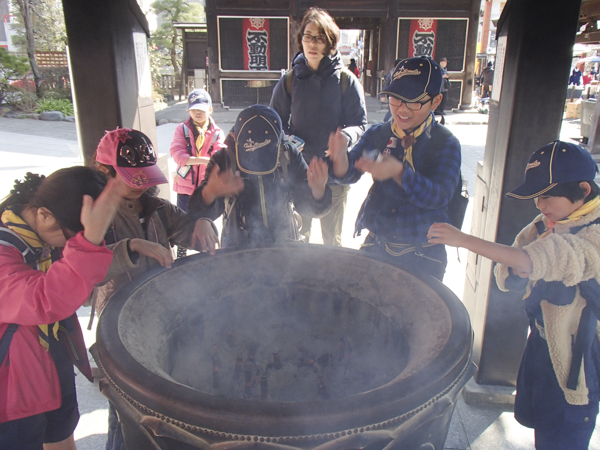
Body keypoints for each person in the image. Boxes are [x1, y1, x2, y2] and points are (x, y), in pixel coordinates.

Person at [428, 141, 600, 450]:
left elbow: (544, 257)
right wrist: (516, 273)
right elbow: (512, 264)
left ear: (583, 190)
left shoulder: (594, 232)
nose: (539, 205)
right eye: (537, 196)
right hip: (542, 344)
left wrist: (463, 239)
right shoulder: (546, 224)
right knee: (543, 425)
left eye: (547, 196)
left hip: (580, 356)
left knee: (567, 434)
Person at [92, 127, 218, 450]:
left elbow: (188, 230)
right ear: (105, 172)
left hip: (161, 317)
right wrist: (132, 247)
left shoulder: (157, 208)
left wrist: (202, 222)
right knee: (124, 417)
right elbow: (87, 269)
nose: (140, 186)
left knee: (161, 412)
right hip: (119, 327)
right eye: (129, 178)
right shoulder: (94, 217)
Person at [0, 167, 124, 450]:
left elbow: (72, 281)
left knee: (61, 432)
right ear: (44, 215)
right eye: (72, 239)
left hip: (51, 357)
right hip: (12, 387)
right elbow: (44, 299)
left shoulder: (39, 238)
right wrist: (89, 242)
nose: (73, 247)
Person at [328, 56, 461, 281]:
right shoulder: (379, 134)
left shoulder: (445, 143)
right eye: (396, 99)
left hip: (423, 254)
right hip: (378, 244)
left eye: (414, 101)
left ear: (436, 101)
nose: (402, 109)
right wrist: (340, 158)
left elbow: (439, 196)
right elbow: (350, 173)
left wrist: (399, 173)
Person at [270, 6, 367, 247]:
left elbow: (360, 124)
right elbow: (274, 124)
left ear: (330, 42)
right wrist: (289, 142)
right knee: (296, 239)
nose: (313, 43)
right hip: (298, 175)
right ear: (300, 39)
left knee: (331, 243)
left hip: (333, 175)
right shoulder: (289, 81)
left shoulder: (346, 80)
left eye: (320, 38)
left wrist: (345, 136)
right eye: (308, 36)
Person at [188, 104, 332, 251]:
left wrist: (318, 192)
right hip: (237, 248)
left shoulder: (288, 157)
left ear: (280, 140)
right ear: (234, 138)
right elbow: (196, 213)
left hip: (284, 246)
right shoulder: (223, 161)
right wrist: (209, 193)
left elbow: (310, 209)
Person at [170, 88, 226, 258]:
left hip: (205, 189)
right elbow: (178, 156)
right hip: (185, 187)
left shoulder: (217, 133)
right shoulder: (182, 129)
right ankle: (181, 252)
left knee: (205, 221)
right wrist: (205, 160)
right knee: (183, 222)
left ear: (210, 109)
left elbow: (220, 158)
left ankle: (206, 253)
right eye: (194, 109)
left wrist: (194, 159)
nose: (197, 113)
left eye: (201, 109)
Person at [382, 58, 403, 123]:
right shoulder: (391, 74)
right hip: (392, 95)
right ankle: (385, 121)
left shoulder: (403, 73)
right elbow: (385, 84)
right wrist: (383, 95)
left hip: (400, 95)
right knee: (391, 110)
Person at [434, 56, 451, 125]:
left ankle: (442, 110)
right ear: (441, 62)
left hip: (444, 86)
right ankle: (437, 110)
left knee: (444, 98)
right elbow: (436, 76)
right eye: (444, 62)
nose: (445, 64)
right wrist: (442, 76)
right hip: (439, 86)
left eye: (446, 63)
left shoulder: (445, 69)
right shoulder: (437, 68)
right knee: (438, 99)